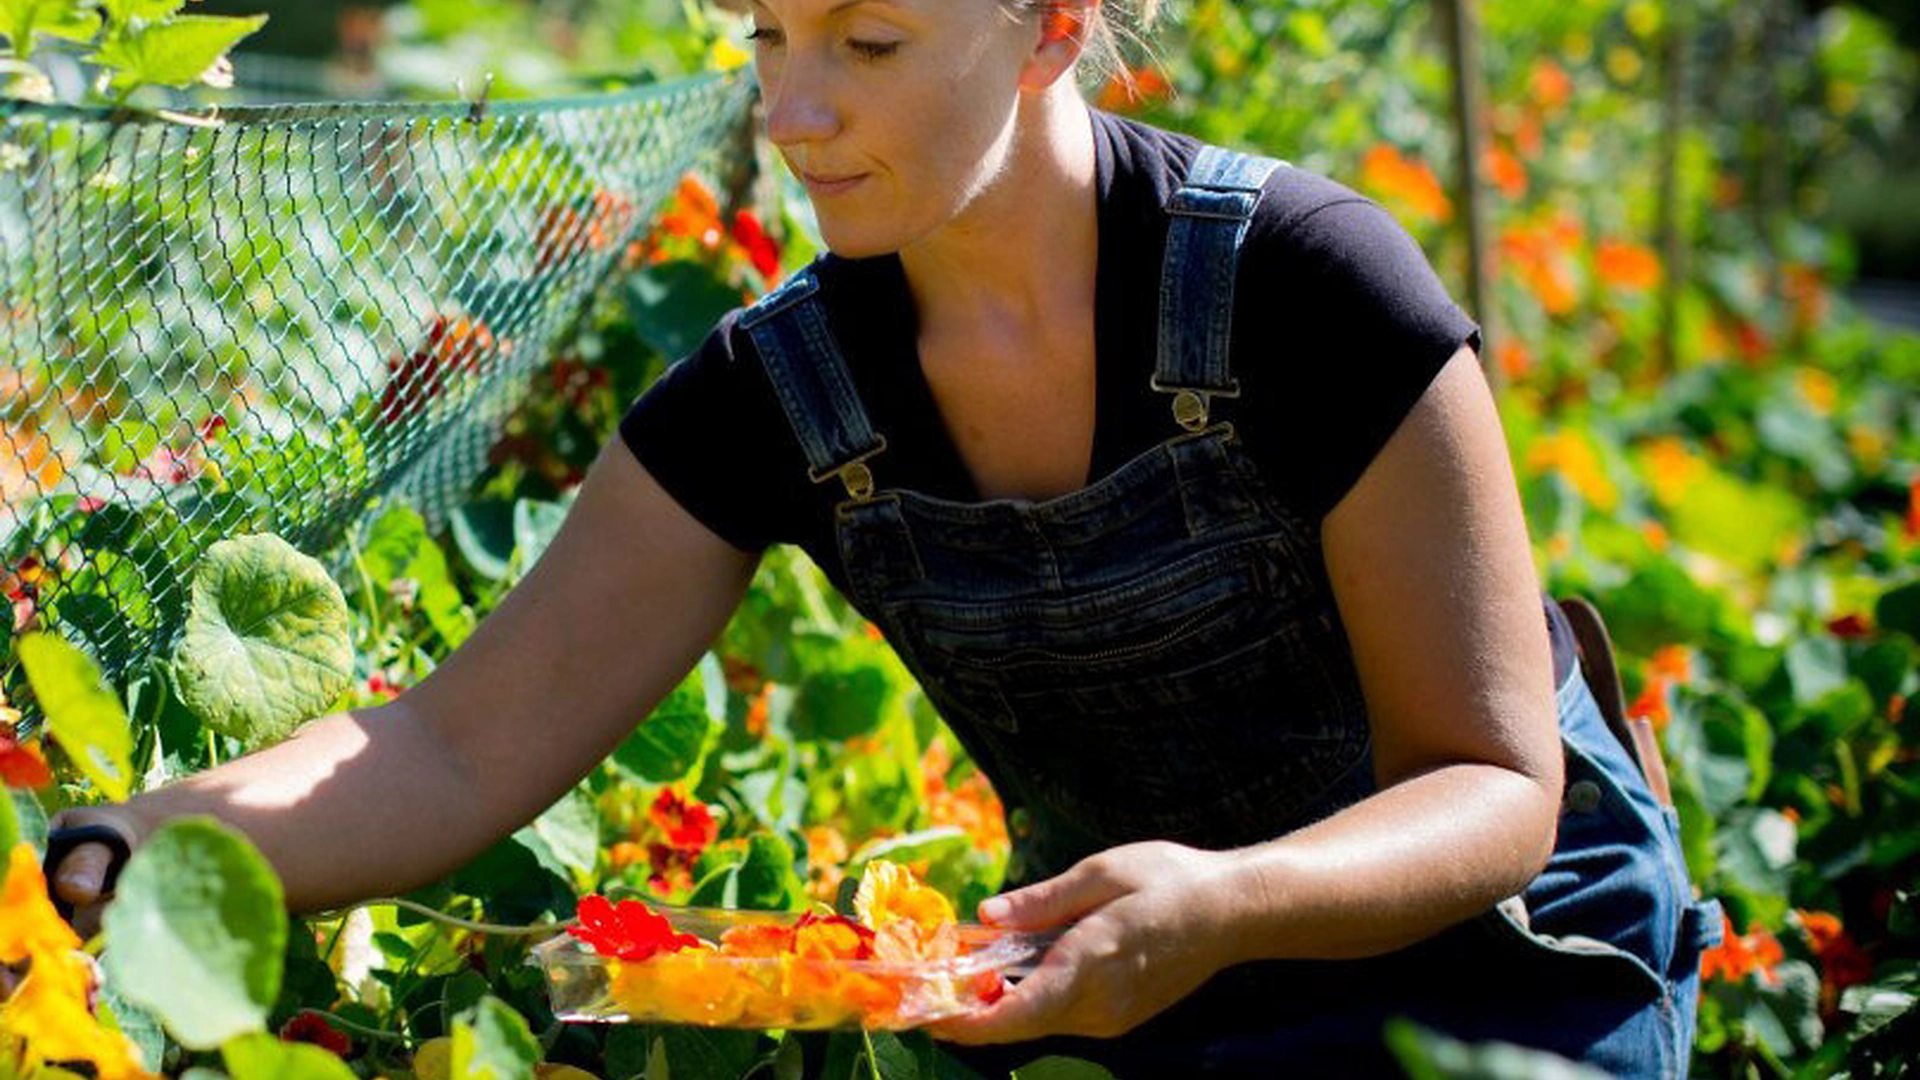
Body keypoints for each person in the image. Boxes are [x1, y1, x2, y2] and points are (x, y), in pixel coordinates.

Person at [39, 0, 1718, 1075]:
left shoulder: (1307, 283)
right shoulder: (783, 389)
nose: (795, 108)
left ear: (1052, 27)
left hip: (1501, 964)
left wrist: (1222, 904)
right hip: (1126, 968)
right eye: (769, 34)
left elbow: (1496, 784)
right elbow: (448, 748)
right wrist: (103, 849)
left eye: (869, 42)